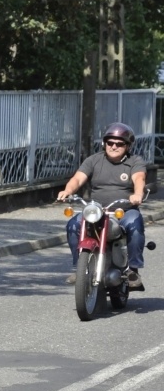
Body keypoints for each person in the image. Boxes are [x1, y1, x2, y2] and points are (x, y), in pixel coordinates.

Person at [57, 122, 148, 287]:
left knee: (135, 224)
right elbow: (78, 178)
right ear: (104, 143)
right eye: (110, 143)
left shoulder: (135, 161)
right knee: (73, 225)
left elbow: (139, 178)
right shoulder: (94, 160)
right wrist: (67, 191)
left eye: (119, 144)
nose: (114, 146)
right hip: (97, 210)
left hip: (124, 211)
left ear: (127, 146)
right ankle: (80, 268)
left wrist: (137, 194)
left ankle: (133, 270)